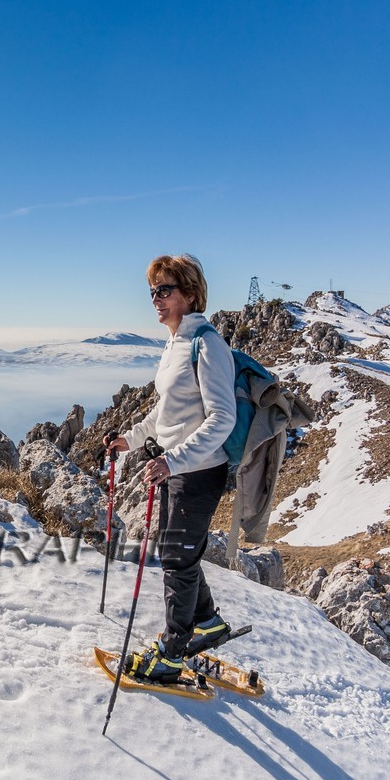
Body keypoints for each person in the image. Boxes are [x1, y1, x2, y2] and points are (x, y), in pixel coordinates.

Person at [107, 254, 236, 681]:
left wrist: (173, 459)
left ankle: (173, 652)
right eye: (153, 291)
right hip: (175, 468)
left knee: (176, 560)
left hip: (198, 472)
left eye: (165, 290)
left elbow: (222, 417)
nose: (156, 299)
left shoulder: (207, 343)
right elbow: (167, 411)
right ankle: (208, 623)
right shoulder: (177, 342)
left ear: (191, 294)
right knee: (178, 553)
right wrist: (132, 439)